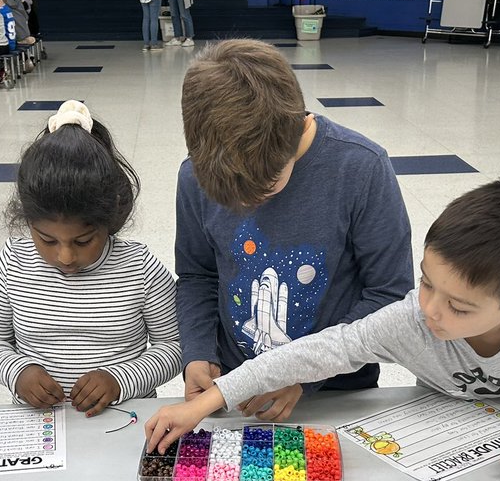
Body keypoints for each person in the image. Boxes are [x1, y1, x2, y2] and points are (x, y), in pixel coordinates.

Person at [148, 177, 500, 481]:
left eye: (457, 307)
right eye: (426, 283)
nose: (431, 310)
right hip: (437, 433)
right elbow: (319, 351)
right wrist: (212, 399)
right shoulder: (411, 319)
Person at [175, 39, 414, 421]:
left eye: (265, 188)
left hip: (335, 392)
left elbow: (390, 295)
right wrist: (198, 353)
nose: (248, 204)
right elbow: (197, 273)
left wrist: (302, 377)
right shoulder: (195, 176)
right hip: (233, 387)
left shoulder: (361, 167)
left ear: (297, 129)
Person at [0, 100, 180, 416]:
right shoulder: (11, 264)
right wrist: (17, 372)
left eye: (83, 241)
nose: (65, 256)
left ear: (111, 220)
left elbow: (175, 347)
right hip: (41, 425)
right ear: (28, 222)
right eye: (47, 240)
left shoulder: (140, 268)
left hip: (127, 419)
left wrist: (121, 380)